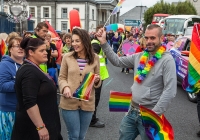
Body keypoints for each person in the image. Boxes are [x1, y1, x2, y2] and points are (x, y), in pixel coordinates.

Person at [96, 24, 177, 140]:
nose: (149, 41)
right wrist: (103, 42)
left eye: (153, 38)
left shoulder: (167, 60)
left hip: (149, 115)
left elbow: (170, 91)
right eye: (146, 37)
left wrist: (153, 115)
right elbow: (117, 61)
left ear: (161, 38)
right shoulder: (139, 56)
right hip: (131, 112)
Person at [11, 38, 62, 140]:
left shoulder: (33, 67)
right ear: (31, 52)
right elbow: (29, 102)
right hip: (34, 130)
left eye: (45, 50)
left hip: (43, 124)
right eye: (41, 50)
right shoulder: (29, 72)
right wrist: (40, 127)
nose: (46, 53)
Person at [58, 28, 101, 140]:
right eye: (73, 41)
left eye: (77, 41)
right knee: (74, 135)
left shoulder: (95, 57)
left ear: (85, 41)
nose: (74, 44)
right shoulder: (67, 57)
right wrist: (65, 87)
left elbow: (98, 78)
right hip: (69, 102)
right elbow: (61, 77)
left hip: (87, 103)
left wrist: (96, 80)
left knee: (81, 136)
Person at [0, 37, 25, 140]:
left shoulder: (27, 64)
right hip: (10, 111)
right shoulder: (4, 65)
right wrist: (24, 84)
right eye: (17, 46)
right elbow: (2, 86)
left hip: (25, 110)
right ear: (10, 49)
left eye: (23, 46)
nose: (21, 48)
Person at [90, 26, 109, 128]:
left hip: (98, 75)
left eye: (103, 31)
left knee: (95, 98)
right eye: (100, 31)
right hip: (97, 76)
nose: (102, 33)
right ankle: (91, 120)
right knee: (95, 98)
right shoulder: (95, 44)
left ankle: (91, 118)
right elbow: (92, 60)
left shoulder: (97, 43)